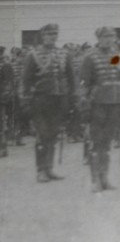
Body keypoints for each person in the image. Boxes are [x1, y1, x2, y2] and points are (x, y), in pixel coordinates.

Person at [21, 24, 76, 182]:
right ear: (43, 35)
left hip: (59, 101)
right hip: (40, 101)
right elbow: (25, 81)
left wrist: (73, 98)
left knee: (53, 134)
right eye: (49, 34)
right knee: (42, 134)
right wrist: (25, 102)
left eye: (55, 34)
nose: (52, 37)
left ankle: (49, 168)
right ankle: (41, 170)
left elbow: (72, 79)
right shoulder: (33, 55)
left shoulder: (64, 54)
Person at [79, 26, 120, 192]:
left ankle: (105, 178)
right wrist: (84, 105)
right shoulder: (90, 57)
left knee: (107, 142)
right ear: (99, 38)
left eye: (111, 36)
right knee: (96, 142)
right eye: (105, 37)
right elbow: (84, 84)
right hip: (97, 104)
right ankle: (95, 180)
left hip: (115, 102)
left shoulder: (116, 56)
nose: (109, 40)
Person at [0, 47, 14, 157]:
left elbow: (9, 83)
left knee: (1, 123)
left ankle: (3, 148)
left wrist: (5, 95)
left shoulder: (6, 66)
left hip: (2, 99)